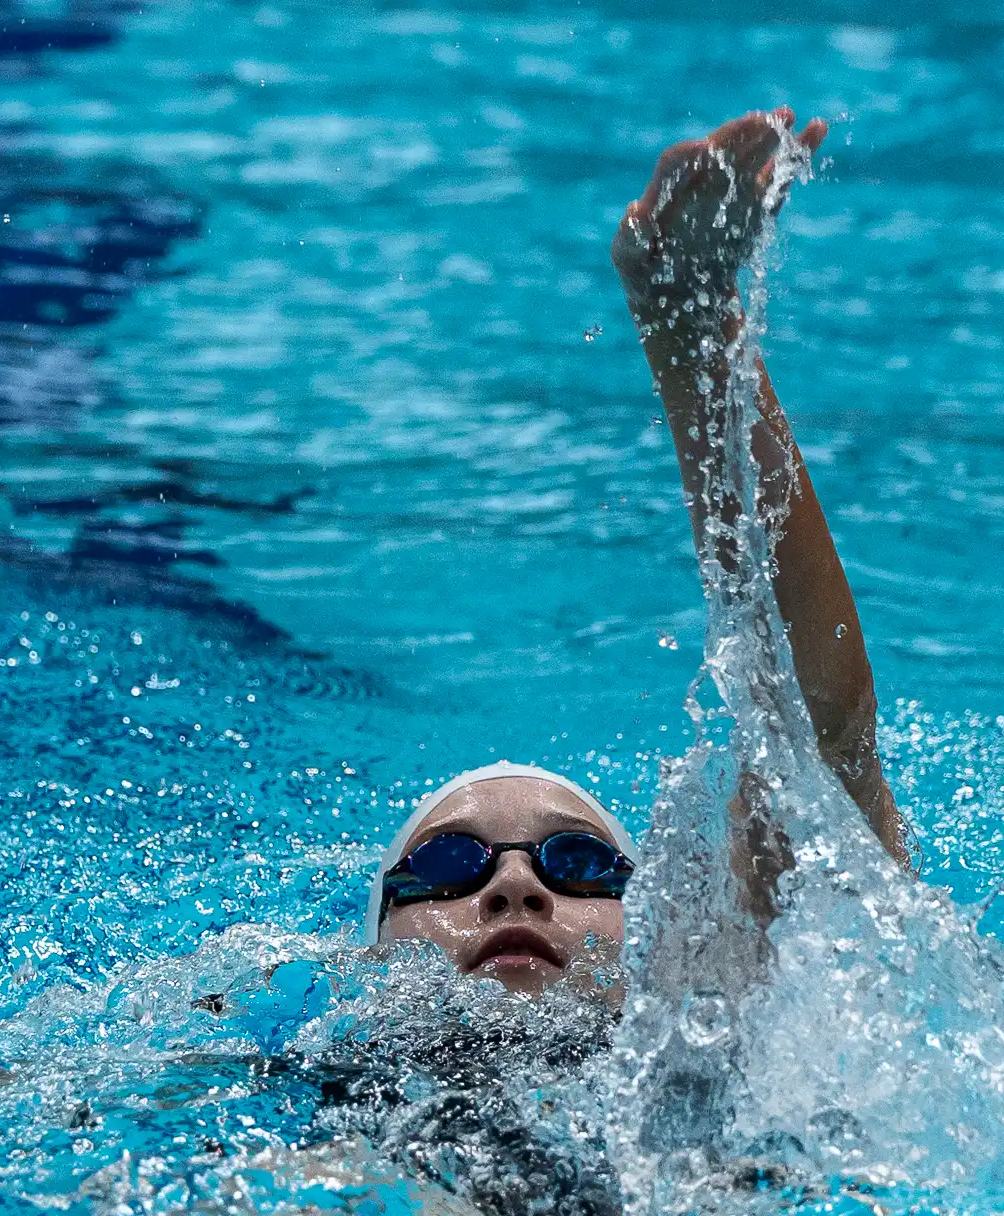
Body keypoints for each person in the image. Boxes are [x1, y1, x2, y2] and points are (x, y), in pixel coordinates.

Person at [372, 108, 905, 995]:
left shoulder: (701, 1064)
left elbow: (820, 750)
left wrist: (686, 310)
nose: (514, 888)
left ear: (649, 947)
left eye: (579, 864)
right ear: (372, 948)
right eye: (451, 864)